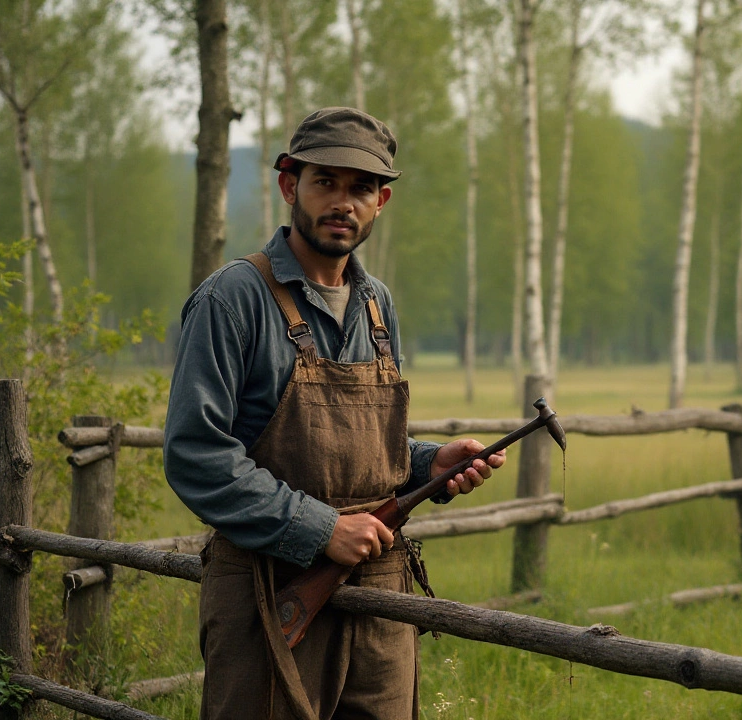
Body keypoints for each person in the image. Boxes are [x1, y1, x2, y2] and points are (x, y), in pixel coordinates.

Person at [163, 106, 504, 720]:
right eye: (326, 182)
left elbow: (373, 451)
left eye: (361, 188)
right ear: (290, 185)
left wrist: (430, 463)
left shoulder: (377, 305)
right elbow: (196, 456)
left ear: (382, 202)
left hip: (376, 598)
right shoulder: (233, 299)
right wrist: (321, 529)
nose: (343, 202)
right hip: (268, 593)